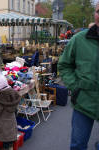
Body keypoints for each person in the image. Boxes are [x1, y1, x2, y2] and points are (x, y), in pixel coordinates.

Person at [58, 3, 99, 150]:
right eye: (98, 11)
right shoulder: (80, 39)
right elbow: (64, 65)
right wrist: (75, 87)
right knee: (78, 145)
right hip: (83, 102)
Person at [0, 70, 21, 150]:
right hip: (11, 126)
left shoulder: (0, 97)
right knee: (9, 145)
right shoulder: (12, 92)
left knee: (6, 146)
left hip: (3, 128)